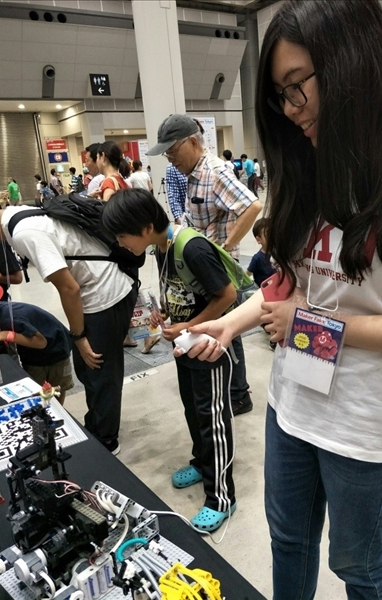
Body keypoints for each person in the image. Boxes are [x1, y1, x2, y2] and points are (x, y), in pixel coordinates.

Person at [184, 1, 382, 598]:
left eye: (297, 86)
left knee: (357, 564)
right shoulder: (308, 161)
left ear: (353, 62)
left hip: (365, 421)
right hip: (293, 402)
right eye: (280, 96)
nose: (291, 109)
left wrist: (315, 326)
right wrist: (231, 324)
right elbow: (293, 285)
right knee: (289, 541)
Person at [102, 188, 237, 532]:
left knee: (212, 419)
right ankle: (202, 463)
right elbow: (181, 290)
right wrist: (165, 314)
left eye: (122, 236)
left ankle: (221, 497)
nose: (121, 244)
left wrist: (189, 326)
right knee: (193, 409)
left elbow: (228, 295)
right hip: (185, 345)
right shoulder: (161, 247)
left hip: (209, 347)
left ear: (146, 227)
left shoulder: (191, 247)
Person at [0, 203, 138, 455]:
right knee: (87, 370)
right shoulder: (16, 216)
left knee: (99, 369)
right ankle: (96, 426)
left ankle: (106, 441)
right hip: (96, 289)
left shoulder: (24, 232)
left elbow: (69, 288)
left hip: (104, 293)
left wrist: (78, 336)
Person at [147, 114, 263, 416]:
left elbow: (253, 206)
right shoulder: (194, 174)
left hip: (215, 270)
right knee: (218, 328)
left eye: (173, 151)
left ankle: (238, 394)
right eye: (166, 154)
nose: (171, 159)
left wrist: (224, 248)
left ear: (193, 142)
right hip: (200, 266)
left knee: (228, 331)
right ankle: (232, 389)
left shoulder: (214, 171)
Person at [0, 284, 74, 405]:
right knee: (35, 391)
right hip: (31, 354)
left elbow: (41, 342)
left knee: (56, 386)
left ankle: (58, 410)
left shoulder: (8, 317)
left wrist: (5, 335)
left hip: (56, 347)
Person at [247, 218, 276, 289]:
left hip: (276, 288)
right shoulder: (257, 258)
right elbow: (247, 275)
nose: (272, 237)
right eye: (268, 235)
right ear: (258, 240)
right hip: (262, 291)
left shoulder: (277, 254)